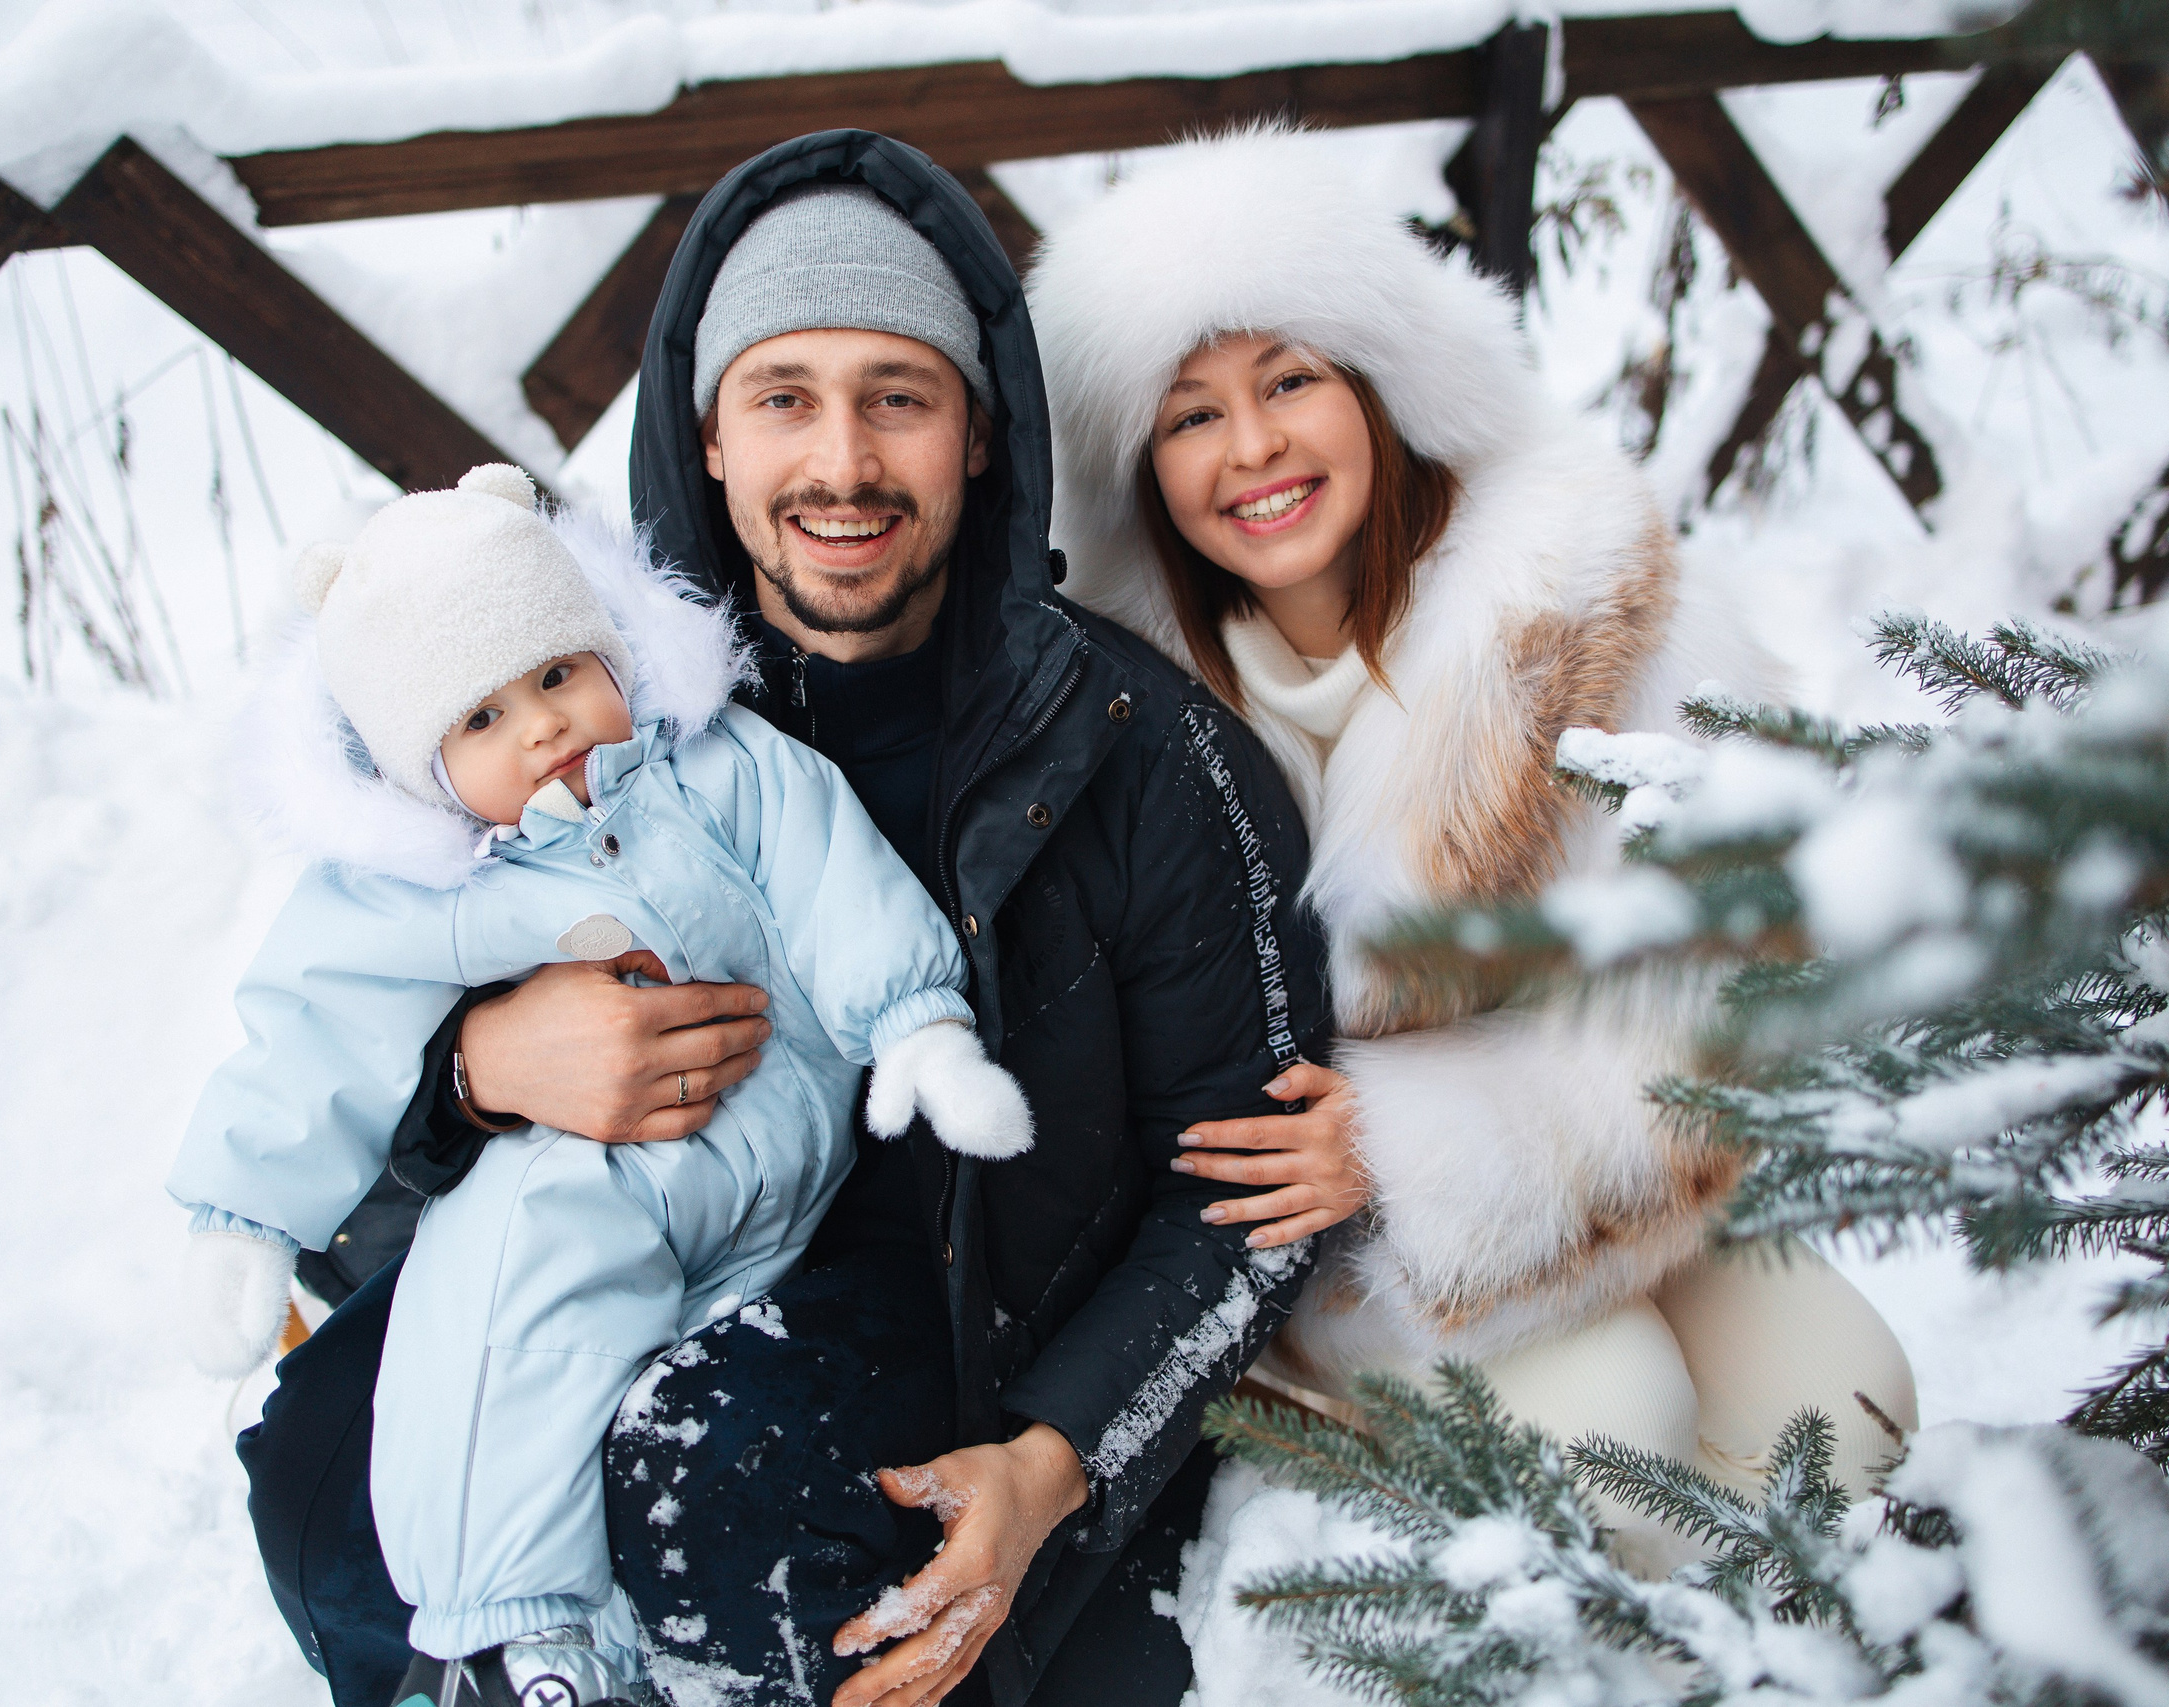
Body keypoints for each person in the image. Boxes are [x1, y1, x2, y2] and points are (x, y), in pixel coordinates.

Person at [232, 133, 1351, 1707]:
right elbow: (327, 1062)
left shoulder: (1136, 750)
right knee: (314, 1471)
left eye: (899, 393)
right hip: (601, 1239)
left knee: (712, 1492)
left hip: (975, 1316)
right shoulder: (549, 723)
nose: (842, 461)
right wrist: (482, 1072)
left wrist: (1055, 1456)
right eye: (785, 396)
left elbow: (1254, 1183)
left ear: (978, 434)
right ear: (704, 435)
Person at [1027, 128, 1918, 1568]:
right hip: (1289, 1212)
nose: (1251, 448)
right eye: (1189, 414)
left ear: (1382, 387)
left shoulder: (1570, 603)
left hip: (1568, 1143)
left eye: (1291, 380)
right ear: (1140, 465)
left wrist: (1421, 1142)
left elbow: (1728, 986)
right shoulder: (1133, 690)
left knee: (1850, 1402)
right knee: (1628, 1439)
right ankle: (1309, 1448)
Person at [172, 463, 1038, 1705]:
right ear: (417, 769)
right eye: (479, 720)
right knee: (510, 1343)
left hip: (779, 1178)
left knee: (672, 1429)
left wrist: (913, 1026)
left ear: (613, 654)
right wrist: (245, 1216)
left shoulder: (719, 768)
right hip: (589, 1184)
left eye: (556, 674)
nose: (541, 725)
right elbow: (311, 1029)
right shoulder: (427, 886)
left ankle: (589, 1641)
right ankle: (515, 1637)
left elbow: (831, 874)